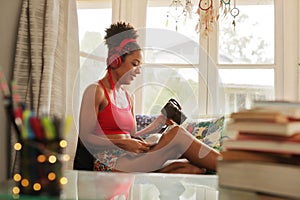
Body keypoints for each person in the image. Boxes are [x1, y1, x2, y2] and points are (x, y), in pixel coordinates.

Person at [74, 22, 221, 174]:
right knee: (177, 133)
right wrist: (123, 144)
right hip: (110, 162)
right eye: (134, 64)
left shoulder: (128, 98)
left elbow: (133, 137)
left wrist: (159, 122)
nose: (138, 71)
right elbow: (85, 139)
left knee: (191, 168)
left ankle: (228, 170)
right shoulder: (96, 91)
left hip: (130, 158)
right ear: (116, 60)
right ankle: (234, 169)